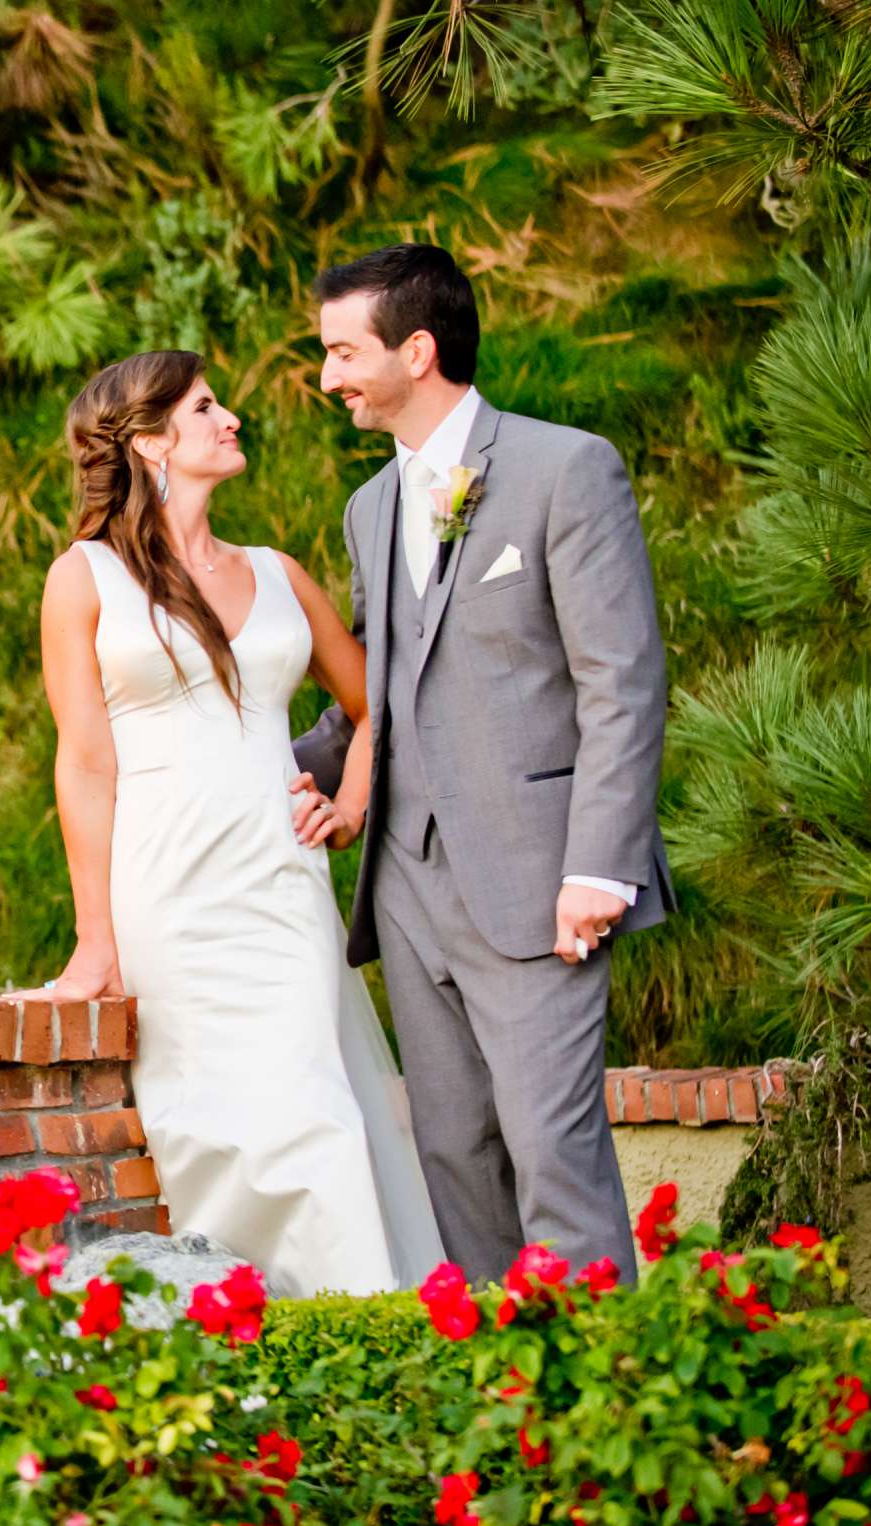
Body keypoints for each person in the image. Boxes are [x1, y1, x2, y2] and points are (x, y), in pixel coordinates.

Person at [292, 242, 673, 1283]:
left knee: (554, 1153)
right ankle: (507, 1411)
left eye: (339, 352)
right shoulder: (371, 508)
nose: (327, 378)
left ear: (416, 351)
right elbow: (384, 685)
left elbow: (621, 681)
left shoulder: (566, 468)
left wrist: (600, 865)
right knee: (452, 1153)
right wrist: (252, 766)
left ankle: (604, 1401)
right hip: (408, 887)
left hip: (538, 875)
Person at [39, 349, 444, 1298]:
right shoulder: (83, 578)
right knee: (210, 1122)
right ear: (148, 443)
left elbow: (371, 702)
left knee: (313, 1107)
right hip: (165, 889)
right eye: (206, 408)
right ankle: (234, 1333)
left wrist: (348, 808)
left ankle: (362, 1322)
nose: (232, 420)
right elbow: (87, 763)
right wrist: (95, 940)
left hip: (278, 877)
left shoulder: (279, 573)